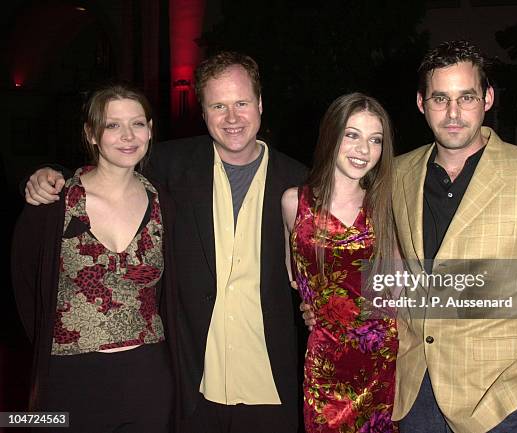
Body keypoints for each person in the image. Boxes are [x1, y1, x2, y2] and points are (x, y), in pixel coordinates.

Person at [23, 52, 307, 433]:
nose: (232, 117)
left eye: (241, 103)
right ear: (202, 113)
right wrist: (49, 174)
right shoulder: (169, 167)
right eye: (218, 106)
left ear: (259, 104)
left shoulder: (300, 183)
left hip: (269, 386)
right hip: (190, 387)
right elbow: (108, 168)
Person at [391, 41, 517, 433]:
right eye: (439, 98)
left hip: (501, 404)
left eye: (466, 97)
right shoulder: (398, 173)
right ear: (420, 103)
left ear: (488, 98)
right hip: (416, 394)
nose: (452, 113)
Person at [12, 83, 175, 432]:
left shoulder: (164, 201)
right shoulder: (55, 203)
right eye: (113, 125)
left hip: (149, 378)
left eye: (138, 123)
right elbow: (24, 281)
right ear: (91, 133)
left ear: (150, 129)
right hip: (70, 378)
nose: (128, 136)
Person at [282, 93, 399, 432]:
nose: (364, 149)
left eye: (375, 140)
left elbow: (403, 287)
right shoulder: (294, 203)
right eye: (352, 134)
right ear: (331, 134)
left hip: (384, 363)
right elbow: (294, 276)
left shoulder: (387, 206)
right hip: (326, 366)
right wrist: (314, 306)